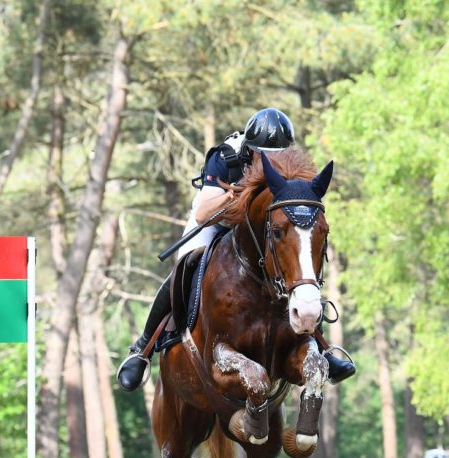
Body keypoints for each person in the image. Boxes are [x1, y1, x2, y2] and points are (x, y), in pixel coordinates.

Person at [116, 108, 356, 391]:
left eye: (279, 155)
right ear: (249, 150)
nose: (272, 162)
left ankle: (321, 346)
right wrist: (240, 197)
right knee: (187, 263)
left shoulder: (290, 163)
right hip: (218, 219)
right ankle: (142, 348)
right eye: (265, 155)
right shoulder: (225, 157)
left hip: (262, 228)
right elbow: (205, 212)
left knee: (297, 261)